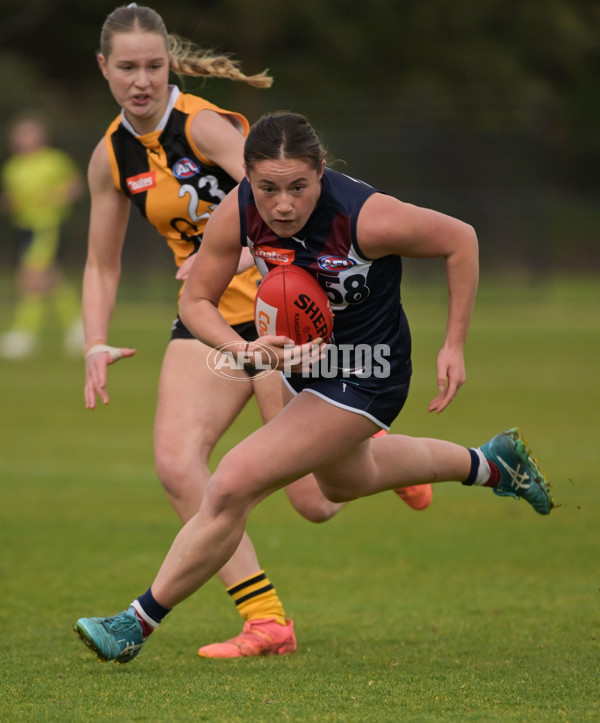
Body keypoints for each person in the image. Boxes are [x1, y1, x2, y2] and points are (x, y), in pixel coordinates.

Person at [74, 111, 555, 665]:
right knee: (344, 483)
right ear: (248, 180)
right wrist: (245, 350)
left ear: (321, 173)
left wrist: (454, 345)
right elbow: (196, 301)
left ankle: (135, 622)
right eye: (268, 188)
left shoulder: (364, 218)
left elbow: (461, 240)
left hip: (367, 370)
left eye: (298, 187)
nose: (282, 204)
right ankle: (492, 464)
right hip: (300, 365)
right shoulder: (240, 210)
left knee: (232, 481)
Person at [81, 4, 431, 661]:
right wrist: (95, 340)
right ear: (104, 68)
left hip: (280, 315)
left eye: (153, 65)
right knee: (177, 462)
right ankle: (266, 618)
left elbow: (275, 206)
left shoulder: (205, 126)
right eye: (126, 67)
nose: (141, 80)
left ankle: (375, 451)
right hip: (209, 319)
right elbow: (102, 262)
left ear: (169, 65)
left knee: (316, 501)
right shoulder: (111, 155)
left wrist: (240, 254)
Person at [0, 114, 84, 359]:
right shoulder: (13, 167)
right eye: (20, 133)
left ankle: (24, 334)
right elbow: (13, 200)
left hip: (47, 226)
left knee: (31, 279)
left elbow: (75, 186)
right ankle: (78, 327)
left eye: (29, 133)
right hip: (24, 228)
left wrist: (54, 198)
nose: (23, 138)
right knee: (51, 280)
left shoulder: (53, 161)